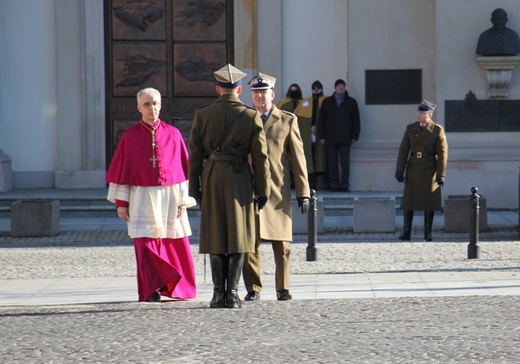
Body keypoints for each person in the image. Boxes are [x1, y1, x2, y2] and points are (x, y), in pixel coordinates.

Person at [188, 64, 270, 309]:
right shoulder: (250, 115)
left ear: (217, 89)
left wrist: (195, 189)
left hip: (212, 177)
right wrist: (263, 189)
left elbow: (194, 155)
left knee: (215, 234)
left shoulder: (202, 114)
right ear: (240, 89)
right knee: (237, 235)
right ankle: (232, 294)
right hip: (239, 179)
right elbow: (260, 157)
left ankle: (217, 294)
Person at [106, 87, 197, 303]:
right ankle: (151, 288)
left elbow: (184, 170)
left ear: (160, 105)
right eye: (147, 104)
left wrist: (184, 200)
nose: (152, 108)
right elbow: (122, 171)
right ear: (139, 108)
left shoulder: (173, 134)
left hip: (170, 197)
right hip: (141, 197)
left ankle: (175, 286)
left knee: (172, 242)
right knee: (145, 245)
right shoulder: (129, 137)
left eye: (155, 103)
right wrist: (121, 203)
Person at [242, 72, 310, 302]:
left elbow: (299, 160)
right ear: (251, 97)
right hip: (249, 190)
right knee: (250, 243)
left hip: (277, 191)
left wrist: (303, 193)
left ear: (273, 94)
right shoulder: (244, 118)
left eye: (264, 92)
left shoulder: (287, 120)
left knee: (282, 244)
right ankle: (253, 288)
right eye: (256, 93)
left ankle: (283, 287)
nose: (260, 97)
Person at [395, 100, 448, 242]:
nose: (418, 115)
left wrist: (441, 174)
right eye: (418, 113)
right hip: (413, 168)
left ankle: (427, 232)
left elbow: (443, 154)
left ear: (429, 115)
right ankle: (406, 231)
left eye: (422, 113)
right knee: (409, 201)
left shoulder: (437, 130)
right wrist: (399, 170)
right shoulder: (411, 129)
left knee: (428, 202)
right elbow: (403, 150)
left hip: (429, 170)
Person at [317, 79, 361, 192]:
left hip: (345, 137)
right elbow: (321, 120)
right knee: (332, 163)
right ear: (335, 88)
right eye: (339, 86)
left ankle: (345, 184)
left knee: (345, 162)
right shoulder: (327, 102)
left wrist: (354, 136)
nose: (341, 88)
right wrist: (321, 136)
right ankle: (334, 184)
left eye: (343, 86)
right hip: (330, 137)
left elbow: (356, 120)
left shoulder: (351, 102)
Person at [295, 80, 329, 190]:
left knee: (323, 158)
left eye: (318, 88)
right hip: (307, 135)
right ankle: (311, 183)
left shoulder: (327, 101)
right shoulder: (305, 102)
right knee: (309, 157)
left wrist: (317, 128)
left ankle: (326, 183)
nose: (316, 90)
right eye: (314, 88)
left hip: (322, 135)